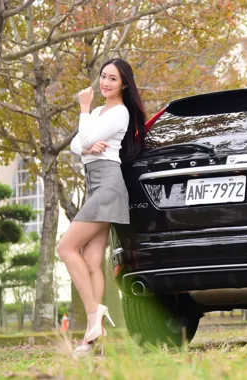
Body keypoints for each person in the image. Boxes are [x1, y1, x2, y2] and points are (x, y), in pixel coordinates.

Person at [59, 58, 146, 355]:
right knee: (92, 261)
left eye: (112, 79)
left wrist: (83, 110)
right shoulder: (100, 112)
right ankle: (91, 340)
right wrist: (85, 145)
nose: (105, 83)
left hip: (108, 185)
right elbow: (76, 143)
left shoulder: (119, 113)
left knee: (65, 249)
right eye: (103, 76)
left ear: (124, 84)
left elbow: (84, 136)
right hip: (94, 184)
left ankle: (94, 314)